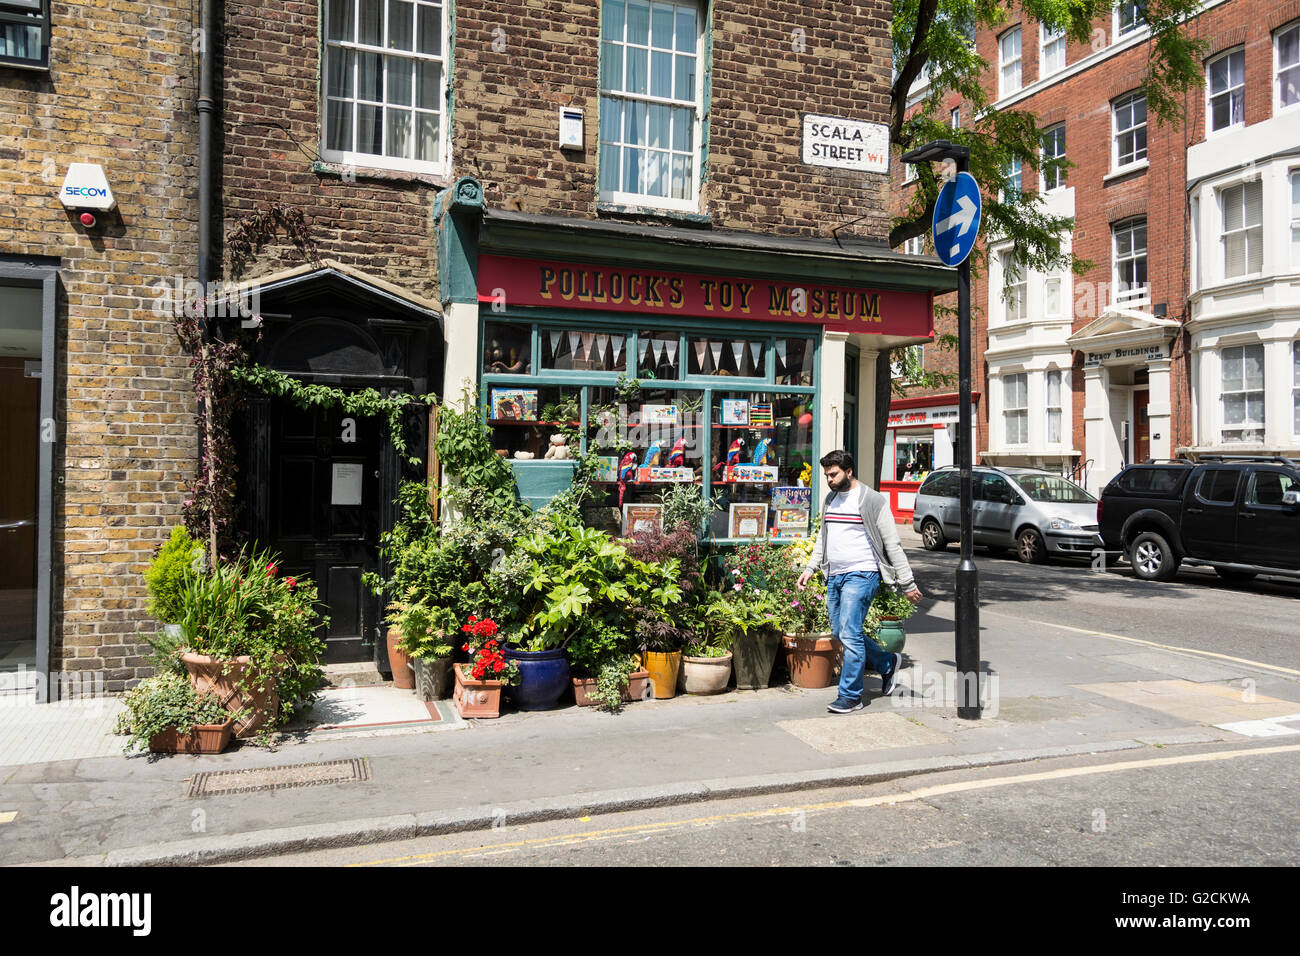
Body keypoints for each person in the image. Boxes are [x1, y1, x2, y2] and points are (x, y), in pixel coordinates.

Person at [797, 449, 923, 714]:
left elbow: (893, 544)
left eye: (834, 474)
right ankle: (888, 664)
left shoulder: (872, 501)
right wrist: (810, 568)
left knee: (851, 634)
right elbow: (824, 536)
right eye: (827, 475)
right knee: (840, 632)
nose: (829, 479)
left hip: (863, 574)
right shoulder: (831, 499)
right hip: (835, 575)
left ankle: (851, 696)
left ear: (849, 471)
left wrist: (908, 583)